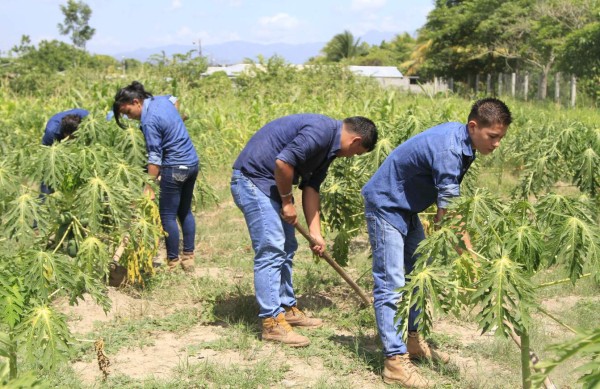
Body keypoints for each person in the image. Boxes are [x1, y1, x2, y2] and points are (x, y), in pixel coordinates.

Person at [362, 97, 512, 387]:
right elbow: (449, 220)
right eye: (492, 137)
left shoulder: (462, 141)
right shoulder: (450, 149)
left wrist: (467, 254)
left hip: (406, 207)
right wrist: (470, 259)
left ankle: (413, 341)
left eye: (500, 138)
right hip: (386, 205)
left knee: (419, 276)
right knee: (391, 282)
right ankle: (394, 362)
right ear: (473, 126)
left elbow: (449, 212)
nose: (496, 144)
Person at [231, 114, 378, 347]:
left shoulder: (329, 150)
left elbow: (311, 188)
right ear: (356, 141)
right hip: (252, 180)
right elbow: (283, 163)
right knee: (272, 248)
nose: (352, 157)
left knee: (288, 246)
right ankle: (272, 322)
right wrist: (287, 202)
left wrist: (315, 233)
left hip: (271, 185)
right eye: (357, 153)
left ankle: (286, 307)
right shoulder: (320, 132)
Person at [112, 81, 199, 272]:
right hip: (192, 163)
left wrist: (149, 187)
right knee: (184, 211)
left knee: (167, 214)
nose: (129, 117)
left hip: (174, 167)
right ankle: (189, 257)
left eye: (127, 112)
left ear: (136, 102)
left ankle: (173, 261)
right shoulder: (160, 101)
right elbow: (174, 99)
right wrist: (175, 122)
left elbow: (154, 157)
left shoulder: (149, 120)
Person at [40, 108, 89, 195]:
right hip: (51, 144)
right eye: (73, 137)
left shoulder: (85, 117)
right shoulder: (51, 133)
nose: (74, 140)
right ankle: (45, 199)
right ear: (66, 134)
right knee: (49, 169)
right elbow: (48, 153)